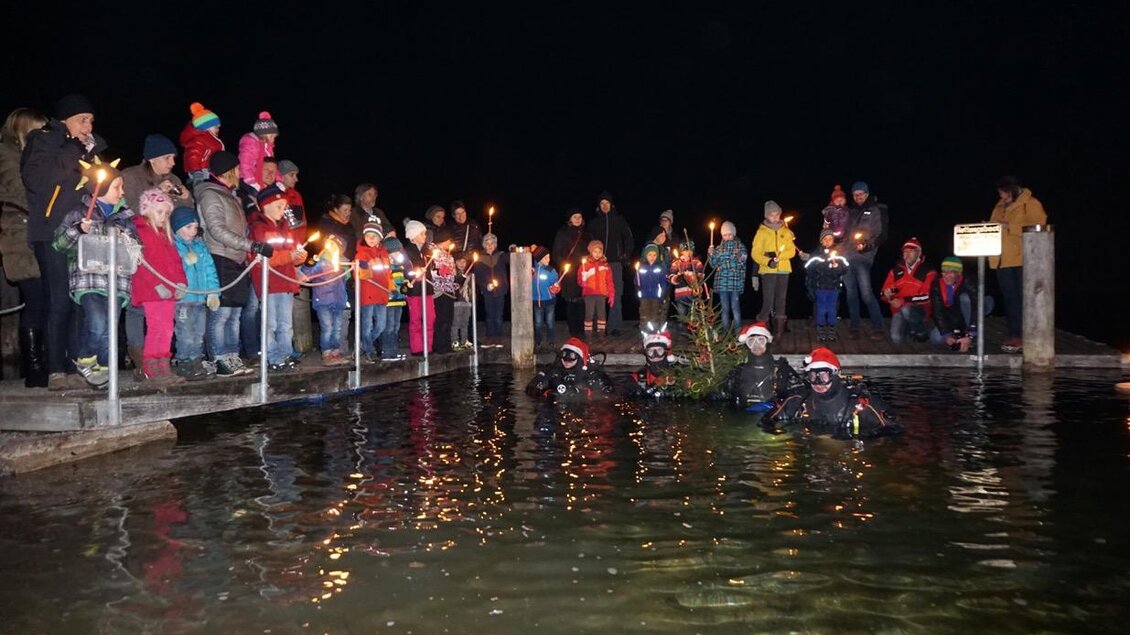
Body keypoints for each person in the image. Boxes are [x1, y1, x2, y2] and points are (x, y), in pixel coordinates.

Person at [21, 94, 107, 386]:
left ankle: (75, 365)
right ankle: (56, 369)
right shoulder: (43, 140)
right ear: (64, 121)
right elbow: (38, 179)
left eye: (91, 120)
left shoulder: (91, 148)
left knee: (79, 300)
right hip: (51, 230)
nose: (88, 125)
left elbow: (100, 187)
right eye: (82, 119)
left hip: (83, 231)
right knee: (58, 300)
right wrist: (72, 149)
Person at [50, 159, 137, 388]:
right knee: (98, 322)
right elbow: (59, 244)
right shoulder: (78, 213)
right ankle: (86, 359)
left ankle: (106, 373)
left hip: (117, 282)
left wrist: (126, 239)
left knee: (110, 329)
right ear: (102, 189)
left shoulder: (125, 218)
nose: (122, 192)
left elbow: (136, 249)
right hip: (89, 280)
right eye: (117, 187)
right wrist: (78, 230)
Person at [195, 150, 272, 377]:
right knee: (221, 312)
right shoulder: (210, 194)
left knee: (235, 312)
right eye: (237, 169)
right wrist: (251, 245)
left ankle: (231, 355)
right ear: (228, 171)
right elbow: (217, 230)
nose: (240, 172)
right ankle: (219, 357)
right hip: (220, 256)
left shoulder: (230, 194)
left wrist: (247, 247)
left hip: (237, 259)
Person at [0, 107, 48, 387]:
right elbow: (21, 190)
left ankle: (47, 363)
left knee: (46, 301)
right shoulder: (7, 155)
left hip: (38, 231)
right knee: (35, 300)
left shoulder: (32, 157)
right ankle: (33, 368)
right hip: (19, 232)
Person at [761, 347, 902, 440]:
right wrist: (782, 435)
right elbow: (767, 421)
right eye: (812, 377)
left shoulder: (860, 403)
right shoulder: (798, 400)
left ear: (836, 374)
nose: (818, 383)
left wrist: (849, 438)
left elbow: (895, 428)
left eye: (823, 376)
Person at [130, 189, 187, 384]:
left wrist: (181, 282)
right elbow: (141, 264)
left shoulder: (165, 235)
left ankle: (164, 364)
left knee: (167, 328)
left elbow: (176, 261)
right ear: (147, 210)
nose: (163, 217)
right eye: (159, 212)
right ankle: (151, 366)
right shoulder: (141, 232)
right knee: (156, 327)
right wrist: (156, 285)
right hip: (152, 290)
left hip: (168, 290)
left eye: (166, 213)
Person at [249, 185, 306, 372]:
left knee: (286, 324)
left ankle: (285, 354)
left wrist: (299, 257)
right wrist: (290, 256)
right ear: (267, 205)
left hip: (286, 282)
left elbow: (292, 253)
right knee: (270, 323)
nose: (284, 211)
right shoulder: (259, 228)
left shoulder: (285, 228)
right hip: (269, 283)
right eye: (280, 206)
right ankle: (273, 356)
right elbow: (265, 258)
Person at [988, 175, 1047, 353]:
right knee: (1010, 298)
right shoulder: (999, 205)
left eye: (1004, 192)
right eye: (1000, 193)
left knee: (1024, 298)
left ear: (1012, 189)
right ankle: (1015, 334)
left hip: (1021, 259)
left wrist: (1009, 226)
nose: (1002, 196)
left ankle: (1028, 335)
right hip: (1001, 259)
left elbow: (1039, 226)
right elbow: (994, 223)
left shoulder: (1030, 203)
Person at [170, 206, 219, 380]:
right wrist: (185, 262)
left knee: (199, 332)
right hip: (184, 298)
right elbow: (171, 271)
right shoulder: (174, 246)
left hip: (200, 298)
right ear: (177, 227)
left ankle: (196, 361)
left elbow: (210, 269)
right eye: (188, 227)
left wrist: (213, 293)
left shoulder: (200, 246)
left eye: (195, 227)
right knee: (185, 332)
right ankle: (184, 361)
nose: (193, 231)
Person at [721, 321, 801, 411]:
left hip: (772, 419)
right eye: (751, 341)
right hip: (743, 418)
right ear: (747, 345)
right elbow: (723, 397)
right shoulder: (737, 372)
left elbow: (799, 394)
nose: (756, 345)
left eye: (761, 340)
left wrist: (781, 412)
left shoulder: (782, 369)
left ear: (767, 342)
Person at [842, 181, 887, 339]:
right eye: (855, 195)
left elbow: (881, 234)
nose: (858, 197)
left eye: (861, 194)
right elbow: (844, 234)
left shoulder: (876, 209)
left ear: (867, 194)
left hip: (863, 258)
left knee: (866, 293)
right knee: (850, 294)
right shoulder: (850, 211)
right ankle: (855, 327)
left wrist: (867, 246)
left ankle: (879, 327)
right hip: (846, 257)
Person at [299, 235, 350, 365]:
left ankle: (335, 352)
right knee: (327, 327)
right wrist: (311, 262)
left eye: (334, 245)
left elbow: (348, 277)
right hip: (323, 300)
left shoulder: (343, 263)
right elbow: (306, 274)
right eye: (329, 244)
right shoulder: (320, 260)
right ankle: (326, 353)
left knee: (337, 328)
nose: (330, 247)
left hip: (338, 300)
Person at [317, 194, 358, 354]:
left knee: (345, 312)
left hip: (347, 271)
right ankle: (330, 350)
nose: (348, 213)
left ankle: (341, 348)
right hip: (330, 270)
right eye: (345, 209)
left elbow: (353, 248)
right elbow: (324, 247)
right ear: (335, 209)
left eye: (350, 210)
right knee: (329, 316)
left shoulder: (349, 226)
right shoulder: (326, 224)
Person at [588, 192, 633, 334]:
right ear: (598, 206)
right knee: (597, 295)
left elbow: (629, 238)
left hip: (615, 263)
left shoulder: (619, 220)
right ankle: (598, 327)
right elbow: (588, 241)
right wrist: (590, 257)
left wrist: (625, 254)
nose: (605, 206)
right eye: (602, 203)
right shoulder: (594, 222)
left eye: (607, 203)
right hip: (598, 264)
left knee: (616, 294)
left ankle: (615, 326)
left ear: (612, 205)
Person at [929, 256, 994, 352]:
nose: (946, 276)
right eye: (944, 272)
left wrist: (970, 335)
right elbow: (937, 311)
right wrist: (947, 334)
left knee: (965, 299)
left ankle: (972, 336)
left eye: (950, 272)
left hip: (980, 306)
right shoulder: (936, 284)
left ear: (958, 273)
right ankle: (959, 337)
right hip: (955, 313)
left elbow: (976, 307)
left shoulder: (969, 280)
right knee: (935, 338)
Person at [750, 200, 796, 335]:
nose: (775, 217)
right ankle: (762, 326)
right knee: (768, 300)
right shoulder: (761, 232)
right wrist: (768, 261)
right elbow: (755, 253)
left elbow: (791, 251)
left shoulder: (786, 232)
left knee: (781, 300)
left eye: (777, 214)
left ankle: (779, 333)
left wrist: (778, 256)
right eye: (772, 215)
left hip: (784, 269)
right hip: (767, 271)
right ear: (766, 216)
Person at [880, 237, 936, 345]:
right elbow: (882, 293)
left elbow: (927, 296)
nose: (907, 254)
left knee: (907, 309)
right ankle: (910, 329)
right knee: (896, 338)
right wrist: (889, 297)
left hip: (920, 309)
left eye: (911, 251)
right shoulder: (895, 271)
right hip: (898, 310)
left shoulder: (929, 271)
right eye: (905, 251)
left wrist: (903, 300)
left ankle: (921, 332)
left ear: (919, 253)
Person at [524, 337, 613, 400]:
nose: (567, 360)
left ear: (579, 357)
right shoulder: (553, 370)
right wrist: (547, 392)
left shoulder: (591, 373)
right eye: (564, 355)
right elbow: (531, 389)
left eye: (571, 356)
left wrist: (584, 393)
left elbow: (609, 393)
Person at [121, 134, 192, 212]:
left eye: (173, 157)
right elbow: (128, 211)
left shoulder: (174, 179)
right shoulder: (130, 176)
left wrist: (186, 198)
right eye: (167, 158)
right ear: (152, 159)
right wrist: (157, 192)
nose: (173, 163)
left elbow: (185, 215)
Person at [804, 229, 849, 342]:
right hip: (820, 287)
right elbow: (809, 269)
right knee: (821, 309)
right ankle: (821, 332)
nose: (828, 241)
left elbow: (845, 268)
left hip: (834, 287)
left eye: (830, 239)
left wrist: (836, 266)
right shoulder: (816, 254)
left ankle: (832, 332)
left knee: (832, 309)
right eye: (825, 239)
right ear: (821, 241)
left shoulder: (838, 254)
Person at [356, 221, 392, 362]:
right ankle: (369, 351)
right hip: (368, 293)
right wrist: (367, 267)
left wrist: (391, 288)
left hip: (382, 293)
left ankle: (363, 347)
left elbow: (388, 273)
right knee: (367, 325)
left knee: (381, 325)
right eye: (368, 235)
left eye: (374, 236)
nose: (371, 238)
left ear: (380, 237)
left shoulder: (384, 253)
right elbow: (358, 274)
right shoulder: (361, 253)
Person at [552, 208, 589, 338]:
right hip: (569, 272)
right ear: (570, 219)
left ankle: (582, 330)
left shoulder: (587, 233)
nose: (578, 219)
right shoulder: (563, 233)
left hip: (584, 272)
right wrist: (564, 263)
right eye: (575, 217)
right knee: (571, 301)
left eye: (579, 216)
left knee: (582, 301)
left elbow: (593, 250)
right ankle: (573, 330)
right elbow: (556, 252)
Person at [402, 220, 435, 355]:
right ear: (413, 235)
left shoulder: (428, 251)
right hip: (414, 291)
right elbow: (405, 269)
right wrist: (415, 273)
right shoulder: (406, 251)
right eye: (422, 234)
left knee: (430, 318)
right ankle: (417, 348)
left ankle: (428, 346)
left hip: (427, 289)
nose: (425, 236)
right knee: (416, 319)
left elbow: (431, 267)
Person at [707, 220, 748, 331]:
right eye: (725, 235)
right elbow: (713, 264)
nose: (728, 236)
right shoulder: (718, 249)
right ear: (722, 236)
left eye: (729, 234)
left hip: (735, 282)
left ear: (734, 234)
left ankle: (738, 331)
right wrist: (710, 254)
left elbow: (741, 263)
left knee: (735, 308)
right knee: (724, 309)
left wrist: (724, 265)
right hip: (722, 283)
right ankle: (725, 332)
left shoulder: (740, 247)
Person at [472, 233, 509, 345]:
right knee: (489, 315)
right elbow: (478, 276)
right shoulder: (479, 259)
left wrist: (512, 249)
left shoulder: (501, 256)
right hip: (487, 291)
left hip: (500, 290)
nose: (490, 245)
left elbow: (510, 259)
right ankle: (490, 336)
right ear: (483, 245)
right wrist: (485, 285)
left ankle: (498, 337)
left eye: (492, 243)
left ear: (495, 244)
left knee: (498, 315)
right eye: (487, 243)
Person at [430, 227, 458, 353]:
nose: (450, 242)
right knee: (441, 319)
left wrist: (455, 282)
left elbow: (452, 272)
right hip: (439, 291)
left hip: (449, 291)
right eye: (448, 240)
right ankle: (439, 345)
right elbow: (434, 271)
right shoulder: (433, 253)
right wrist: (444, 274)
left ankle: (447, 344)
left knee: (448, 318)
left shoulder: (449, 255)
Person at [179, 102, 223, 183]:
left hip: (211, 171)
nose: (218, 129)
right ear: (206, 127)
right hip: (202, 171)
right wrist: (196, 171)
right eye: (215, 126)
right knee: (205, 188)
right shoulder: (199, 140)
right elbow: (192, 155)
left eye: (219, 127)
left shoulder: (212, 139)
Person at [578, 239, 614, 338]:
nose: (597, 254)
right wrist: (584, 279)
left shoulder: (606, 266)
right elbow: (580, 282)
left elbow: (610, 282)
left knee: (601, 315)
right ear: (590, 252)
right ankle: (588, 335)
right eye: (595, 251)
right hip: (589, 294)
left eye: (600, 251)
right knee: (589, 314)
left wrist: (611, 294)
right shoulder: (585, 266)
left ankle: (601, 334)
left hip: (601, 294)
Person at [668, 239, 704, 333]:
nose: (687, 253)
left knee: (694, 316)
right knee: (682, 316)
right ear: (681, 251)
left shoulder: (696, 262)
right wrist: (677, 277)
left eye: (689, 250)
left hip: (693, 294)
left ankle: (694, 334)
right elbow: (670, 277)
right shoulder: (676, 263)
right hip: (680, 294)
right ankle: (681, 335)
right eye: (685, 250)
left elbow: (701, 276)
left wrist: (691, 276)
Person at [381, 235, 408, 360]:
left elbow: (401, 282)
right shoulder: (386, 266)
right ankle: (387, 351)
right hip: (389, 301)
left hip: (399, 300)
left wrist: (406, 286)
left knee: (396, 326)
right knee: (389, 326)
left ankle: (394, 351)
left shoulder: (399, 266)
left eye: (399, 251)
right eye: (396, 251)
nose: (398, 253)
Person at [630, 328, 677, 398]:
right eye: (651, 351)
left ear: (666, 352)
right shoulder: (636, 378)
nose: (655, 354)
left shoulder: (678, 375)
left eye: (659, 350)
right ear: (646, 353)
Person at [237, 111, 277, 190]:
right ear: (263, 134)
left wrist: (279, 180)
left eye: (275, 137)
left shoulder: (268, 147)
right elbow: (245, 163)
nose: (274, 139)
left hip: (259, 180)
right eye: (272, 136)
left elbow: (273, 166)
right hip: (246, 179)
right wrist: (250, 180)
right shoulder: (250, 143)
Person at [531, 244, 560, 348]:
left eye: (549, 256)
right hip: (537, 302)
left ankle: (551, 340)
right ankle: (538, 340)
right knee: (538, 323)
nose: (548, 259)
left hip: (549, 302)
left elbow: (556, 284)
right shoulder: (532, 271)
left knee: (550, 322)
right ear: (539, 259)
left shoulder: (551, 270)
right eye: (545, 257)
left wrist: (556, 288)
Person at [635, 243, 668, 329]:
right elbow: (637, 281)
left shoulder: (660, 268)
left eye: (654, 255)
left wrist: (663, 294)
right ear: (645, 255)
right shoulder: (641, 268)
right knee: (644, 315)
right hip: (644, 296)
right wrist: (638, 285)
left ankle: (654, 333)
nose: (652, 257)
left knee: (655, 315)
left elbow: (663, 282)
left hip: (656, 297)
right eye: (650, 255)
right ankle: (645, 333)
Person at [451, 253, 474, 350]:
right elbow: (454, 286)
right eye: (459, 261)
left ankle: (464, 340)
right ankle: (454, 340)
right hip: (457, 301)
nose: (461, 264)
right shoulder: (454, 274)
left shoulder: (469, 274)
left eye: (464, 261)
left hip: (467, 301)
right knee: (456, 322)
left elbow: (471, 288)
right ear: (455, 262)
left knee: (465, 322)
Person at [277, 160, 306, 228]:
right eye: (292, 175)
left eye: (296, 175)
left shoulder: (296, 196)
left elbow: (303, 222)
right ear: (281, 176)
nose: (296, 179)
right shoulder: (272, 195)